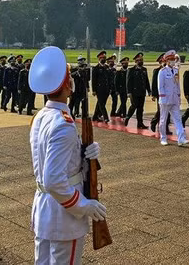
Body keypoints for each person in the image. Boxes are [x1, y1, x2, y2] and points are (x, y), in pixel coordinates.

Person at [28, 46, 105, 264]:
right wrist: (83, 205)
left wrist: (84, 155)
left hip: (45, 209)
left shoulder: (41, 117)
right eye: (69, 77)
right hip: (63, 215)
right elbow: (54, 179)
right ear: (65, 86)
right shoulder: (64, 125)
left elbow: (51, 159)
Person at [157, 51, 189, 146]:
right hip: (165, 99)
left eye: (173, 59)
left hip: (174, 98)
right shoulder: (162, 72)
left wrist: (179, 96)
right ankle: (163, 138)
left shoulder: (175, 70)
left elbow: (177, 84)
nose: (173, 61)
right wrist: (162, 98)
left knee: (178, 119)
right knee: (163, 119)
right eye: (171, 60)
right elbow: (160, 86)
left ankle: (181, 139)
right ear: (166, 61)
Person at [124, 53, 150, 129]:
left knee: (141, 108)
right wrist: (129, 92)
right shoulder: (131, 70)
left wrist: (149, 90)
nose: (140, 61)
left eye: (141, 60)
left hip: (142, 92)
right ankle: (128, 117)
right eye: (138, 60)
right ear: (135, 61)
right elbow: (128, 82)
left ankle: (140, 123)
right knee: (134, 106)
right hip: (134, 92)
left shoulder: (144, 69)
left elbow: (146, 81)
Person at [150, 54, 170, 134]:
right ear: (160, 62)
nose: (165, 63)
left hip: (169, 94)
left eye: (166, 61)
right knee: (161, 110)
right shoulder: (157, 71)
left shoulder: (169, 70)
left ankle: (166, 128)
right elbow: (154, 83)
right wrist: (154, 95)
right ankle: (154, 122)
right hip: (160, 94)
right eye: (163, 61)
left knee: (168, 112)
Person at [91, 51, 111, 123]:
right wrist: (94, 90)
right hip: (99, 89)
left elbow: (109, 79)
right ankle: (105, 117)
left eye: (104, 58)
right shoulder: (96, 68)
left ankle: (95, 116)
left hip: (106, 89)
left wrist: (110, 88)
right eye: (102, 58)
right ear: (99, 58)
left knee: (100, 103)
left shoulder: (107, 67)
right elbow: (94, 80)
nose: (104, 59)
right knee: (101, 104)